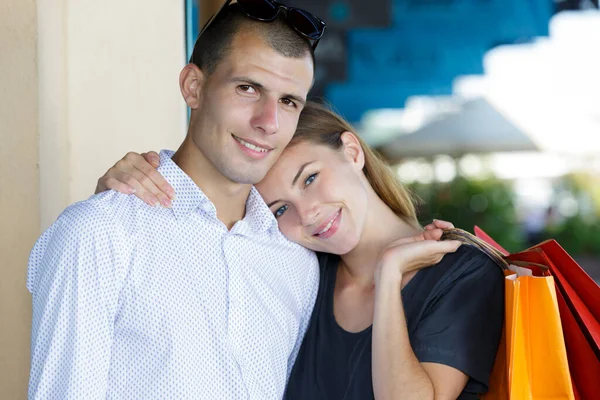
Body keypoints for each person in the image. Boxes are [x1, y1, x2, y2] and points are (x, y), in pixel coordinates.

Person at [98, 101, 505, 399]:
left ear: (352, 151)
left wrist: (389, 276)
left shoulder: (464, 273)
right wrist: (119, 201)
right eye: (280, 208)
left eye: (309, 178)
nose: (307, 214)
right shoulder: (300, 272)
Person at [27, 2, 328, 399]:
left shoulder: (297, 264)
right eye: (248, 88)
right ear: (193, 87)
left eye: (289, 101)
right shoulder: (101, 232)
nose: (268, 122)